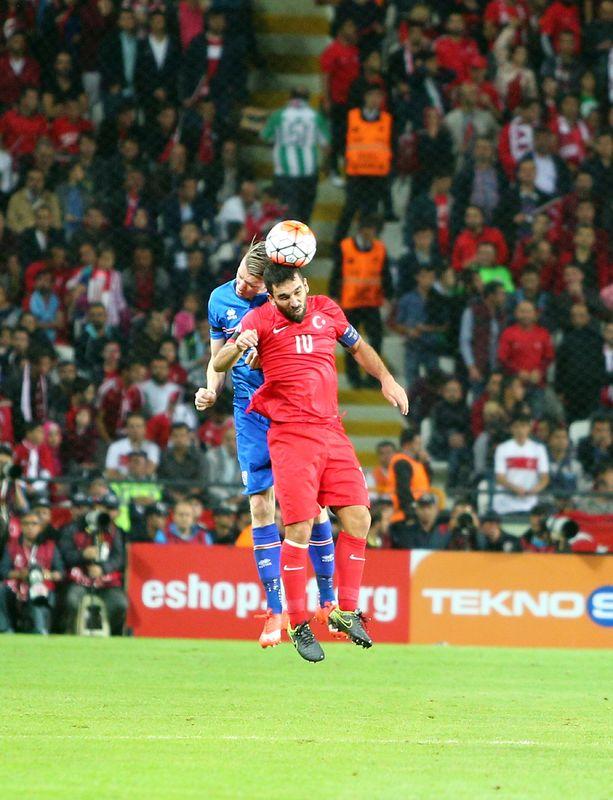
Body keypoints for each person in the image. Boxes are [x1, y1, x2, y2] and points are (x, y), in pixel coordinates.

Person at [210, 261, 408, 662]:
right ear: (272, 297)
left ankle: (345, 611)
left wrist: (386, 379)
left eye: (298, 292)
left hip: (332, 430)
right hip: (290, 436)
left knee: (360, 517)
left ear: (306, 285)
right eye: (284, 297)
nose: (294, 301)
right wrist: (239, 344)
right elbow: (219, 363)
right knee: (299, 527)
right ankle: (298, 622)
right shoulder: (259, 319)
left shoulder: (327, 309)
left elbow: (358, 347)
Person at [195, 241, 337, 649]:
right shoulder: (219, 299)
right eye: (241, 276)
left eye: (252, 284)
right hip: (249, 412)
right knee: (260, 505)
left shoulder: (280, 306)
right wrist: (211, 388)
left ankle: (328, 600)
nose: (242, 286)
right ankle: (275, 610)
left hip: (290, 407)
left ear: (268, 290)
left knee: (312, 505)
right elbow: (217, 356)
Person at [329, 215, 393, 388]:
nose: (370, 234)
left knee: (376, 340)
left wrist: (388, 296)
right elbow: (337, 273)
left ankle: (374, 378)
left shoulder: (380, 249)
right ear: (360, 230)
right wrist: (334, 295)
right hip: (350, 303)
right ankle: (354, 378)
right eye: (367, 230)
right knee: (350, 342)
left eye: (373, 230)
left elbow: (385, 274)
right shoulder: (345, 247)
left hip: (372, 302)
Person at [260, 88, 330, 224]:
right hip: (308, 174)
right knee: (304, 216)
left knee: (286, 215)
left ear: (290, 97)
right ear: (308, 98)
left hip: (285, 174)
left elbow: (265, 137)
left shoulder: (278, 115)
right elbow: (326, 145)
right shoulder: (315, 117)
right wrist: (325, 165)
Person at [333, 84, 393, 242]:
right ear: (365, 97)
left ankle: (367, 246)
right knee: (349, 210)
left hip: (377, 176)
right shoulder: (351, 117)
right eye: (372, 95)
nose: (375, 99)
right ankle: (338, 245)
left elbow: (391, 146)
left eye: (378, 96)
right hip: (356, 174)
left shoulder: (387, 120)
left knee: (370, 215)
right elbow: (339, 142)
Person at [0, 512, 64, 634]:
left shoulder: (50, 546)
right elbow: (3, 571)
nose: (30, 527)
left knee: (38, 591)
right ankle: (5, 629)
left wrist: (47, 575)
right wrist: (19, 574)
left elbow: (60, 573)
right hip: (17, 588)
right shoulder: (11, 546)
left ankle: (40, 630)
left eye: (34, 524)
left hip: (42, 587)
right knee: (1, 590)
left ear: (40, 527)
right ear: (21, 527)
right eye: (26, 524)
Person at [493, 413, 550, 515]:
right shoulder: (502, 448)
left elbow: (544, 478)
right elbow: (500, 477)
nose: (520, 430)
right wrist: (515, 489)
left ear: (529, 428)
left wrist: (534, 490)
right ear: (511, 429)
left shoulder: (539, 449)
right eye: (516, 426)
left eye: (523, 426)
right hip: (505, 505)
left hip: (530, 505)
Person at [387, 427, 432, 542]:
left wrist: (426, 463)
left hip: (417, 513)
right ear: (407, 445)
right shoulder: (402, 462)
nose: (420, 447)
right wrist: (411, 511)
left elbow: (426, 483)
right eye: (417, 444)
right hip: (404, 516)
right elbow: (403, 489)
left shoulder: (415, 463)